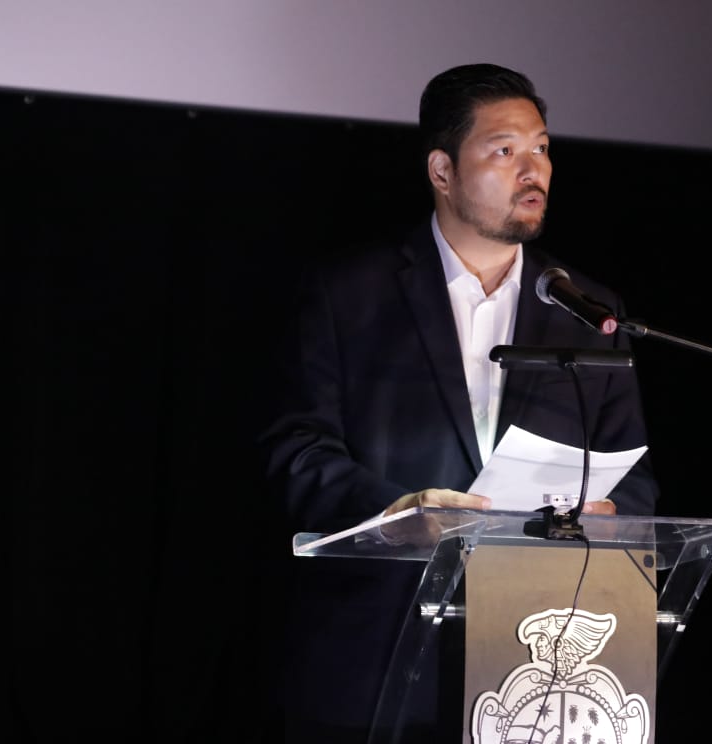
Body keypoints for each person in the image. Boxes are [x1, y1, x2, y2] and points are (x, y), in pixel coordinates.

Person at [261, 62, 660, 743]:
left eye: (541, 148)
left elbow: (637, 479)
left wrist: (610, 513)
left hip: (535, 668)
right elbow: (296, 450)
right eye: (504, 150)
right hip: (379, 656)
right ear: (442, 170)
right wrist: (395, 512)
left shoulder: (588, 310)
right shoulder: (349, 293)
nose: (533, 171)